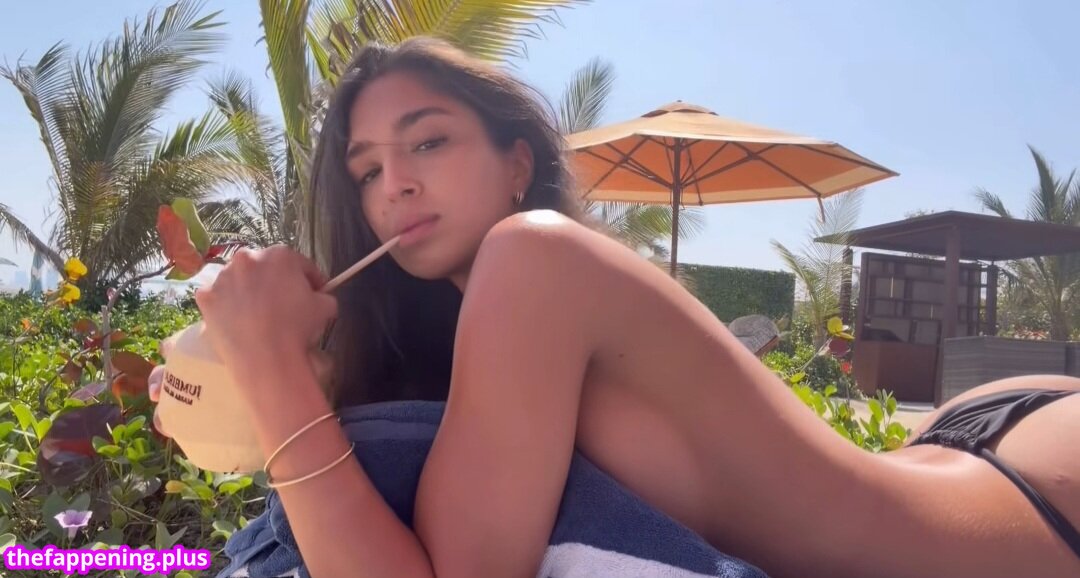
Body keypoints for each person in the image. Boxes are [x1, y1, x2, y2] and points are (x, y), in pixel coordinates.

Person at [148, 37, 1080, 578]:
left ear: (518, 163)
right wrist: (253, 379)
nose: (393, 184)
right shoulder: (477, 347)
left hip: (1026, 510)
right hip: (958, 445)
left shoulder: (536, 254)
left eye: (427, 143)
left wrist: (272, 371)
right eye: (365, 170)